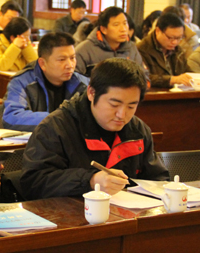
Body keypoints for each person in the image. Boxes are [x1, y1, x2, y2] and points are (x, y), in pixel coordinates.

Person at [20, 58, 169, 200]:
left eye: (131, 106)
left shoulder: (138, 130)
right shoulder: (56, 128)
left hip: (126, 212)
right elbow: (33, 183)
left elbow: (158, 180)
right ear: (91, 93)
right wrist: (90, 180)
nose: (122, 115)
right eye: (114, 104)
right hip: (71, 214)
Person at [3, 32, 88, 132]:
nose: (70, 65)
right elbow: (12, 117)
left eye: (72, 58)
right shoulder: (22, 82)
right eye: (62, 59)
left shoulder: (83, 83)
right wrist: (59, 118)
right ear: (42, 63)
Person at [74, 6, 146, 78]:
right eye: (116, 25)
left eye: (125, 23)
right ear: (103, 29)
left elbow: (143, 75)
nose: (123, 29)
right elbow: (75, 80)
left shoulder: (131, 48)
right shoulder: (84, 50)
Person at [138, 13, 193, 88]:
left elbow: (186, 71)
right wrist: (171, 79)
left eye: (179, 38)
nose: (175, 42)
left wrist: (198, 77)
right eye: (171, 38)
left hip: (176, 93)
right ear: (157, 31)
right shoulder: (142, 49)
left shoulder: (178, 50)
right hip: (154, 93)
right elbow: (142, 77)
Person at [0, 17, 38, 86]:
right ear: (13, 38)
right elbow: (1, 67)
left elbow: (36, 66)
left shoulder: (25, 45)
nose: (28, 40)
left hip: (17, 84)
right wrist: (15, 46)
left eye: (29, 36)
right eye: (25, 37)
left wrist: (26, 48)